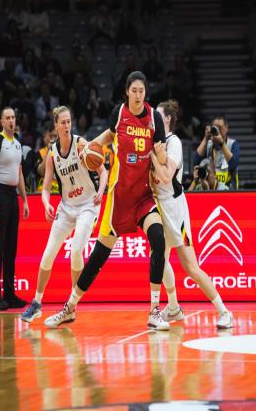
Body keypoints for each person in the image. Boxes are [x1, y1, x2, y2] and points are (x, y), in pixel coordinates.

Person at [44, 71, 170, 330]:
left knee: (158, 239)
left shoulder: (154, 119)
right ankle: (69, 307)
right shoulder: (119, 113)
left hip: (143, 196)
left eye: (142, 91)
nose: (138, 95)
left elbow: (162, 158)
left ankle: (155, 310)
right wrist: (91, 145)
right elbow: (110, 135)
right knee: (98, 257)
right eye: (134, 90)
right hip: (118, 197)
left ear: (146, 93)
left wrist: (160, 156)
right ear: (127, 92)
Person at [20, 106, 108, 322]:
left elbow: (103, 171)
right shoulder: (52, 154)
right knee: (48, 254)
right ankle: (36, 303)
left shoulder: (81, 145)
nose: (67, 126)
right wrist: (46, 204)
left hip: (88, 204)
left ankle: (71, 306)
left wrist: (100, 190)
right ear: (56, 125)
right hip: (66, 207)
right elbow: (46, 188)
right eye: (63, 122)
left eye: (69, 122)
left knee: (77, 250)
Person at [151, 100, 233, 328]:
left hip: (176, 210)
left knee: (190, 266)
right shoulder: (154, 142)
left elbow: (166, 177)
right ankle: (173, 307)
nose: (153, 119)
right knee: (158, 258)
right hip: (159, 207)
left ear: (167, 119)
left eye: (157, 115)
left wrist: (151, 157)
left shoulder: (174, 142)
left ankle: (224, 311)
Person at [0, 107, 30, 311]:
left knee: (11, 247)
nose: (12, 121)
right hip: (0, 195)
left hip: (13, 197)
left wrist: (25, 200)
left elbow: (19, 173)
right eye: (8, 118)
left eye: (13, 117)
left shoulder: (18, 143)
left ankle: (9, 294)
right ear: (1, 122)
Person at [195, 115, 240, 189]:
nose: (217, 130)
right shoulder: (208, 144)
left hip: (229, 190)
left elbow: (233, 164)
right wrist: (205, 138)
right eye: (215, 127)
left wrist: (222, 143)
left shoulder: (232, 144)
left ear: (226, 128)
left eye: (220, 127)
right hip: (211, 189)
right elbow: (196, 161)